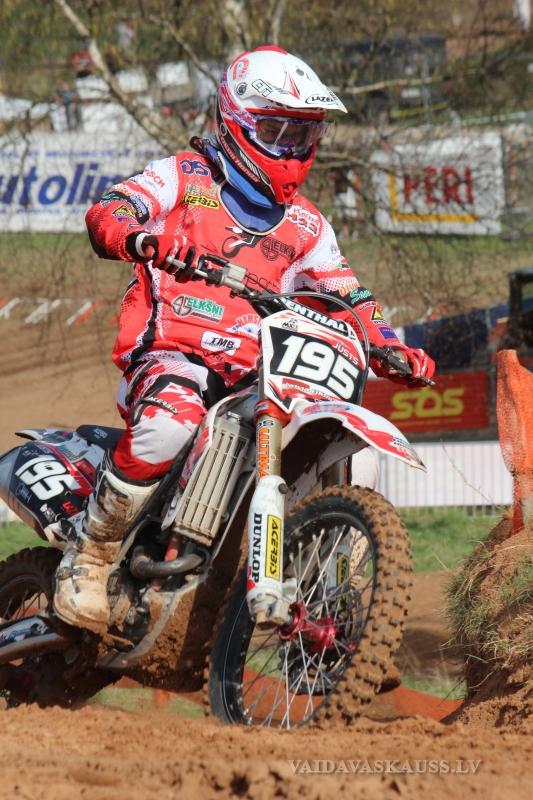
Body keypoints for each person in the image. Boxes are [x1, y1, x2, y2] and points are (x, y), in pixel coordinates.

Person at [53, 45, 435, 633]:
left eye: (304, 135)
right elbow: (110, 208)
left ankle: (340, 600)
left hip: (258, 373)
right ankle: (90, 555)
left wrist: (388, 346)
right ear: (236, 121)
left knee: (348, 447)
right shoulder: (184, 177)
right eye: (278, 131)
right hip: (173, 355)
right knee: (170, 424)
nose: (292, 148)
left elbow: (350, 294)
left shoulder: (308, 226)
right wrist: (142, 238)